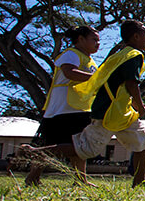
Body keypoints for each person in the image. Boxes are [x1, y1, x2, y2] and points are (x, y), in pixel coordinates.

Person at [21, 20, 145, 187]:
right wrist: (139, 105)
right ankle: (33, 157)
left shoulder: (108, 57)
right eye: (94, 40)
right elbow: (130, 83)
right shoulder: (130, 55)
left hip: (107, 110)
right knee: (81, 148)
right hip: (74, 109)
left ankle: (136, 181)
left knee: (143, 139)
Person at [24, 26, 100, 186]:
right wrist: (96, 79)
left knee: (78, 145)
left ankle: (80, 180)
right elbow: (69, 72)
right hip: (64, 108)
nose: (97, 43)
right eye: (94, 39)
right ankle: (33, 173)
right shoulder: (71, 54)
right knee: (59, 145)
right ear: (80, 39)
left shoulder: (89, 60)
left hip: (79, 108)